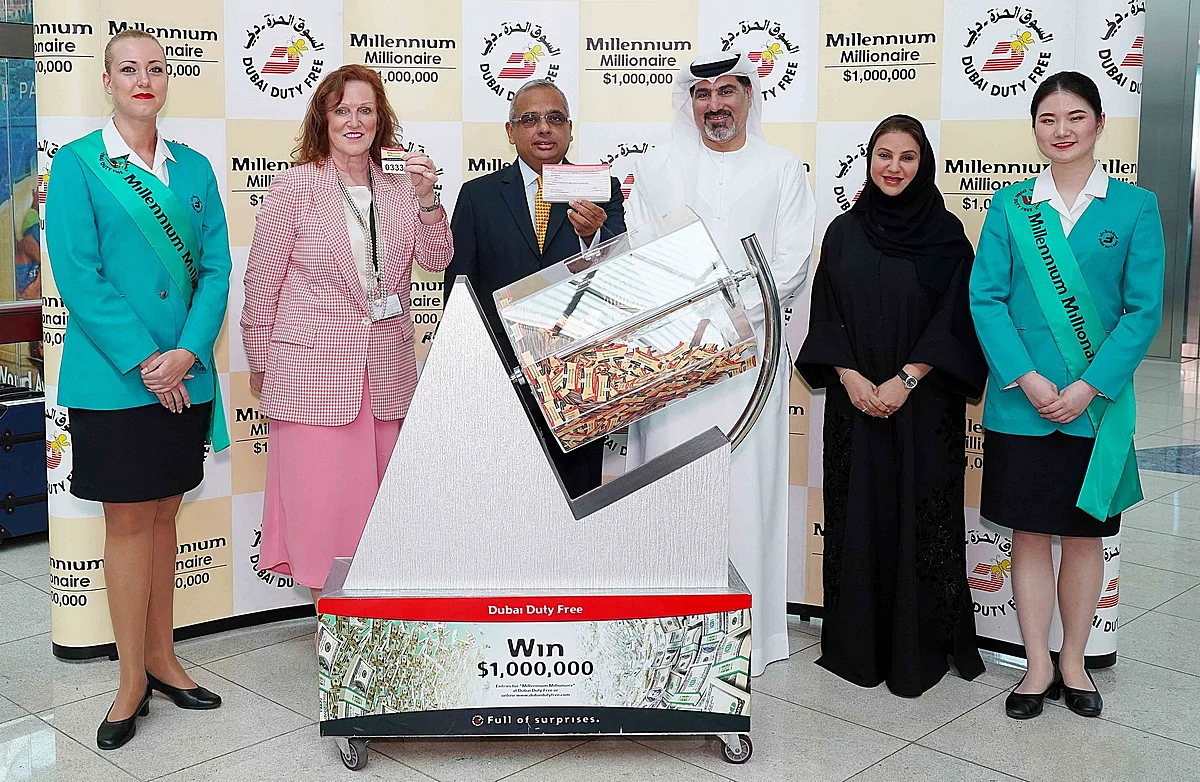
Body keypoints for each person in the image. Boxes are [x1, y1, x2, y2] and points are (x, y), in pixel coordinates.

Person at [44, 29, 231, 749]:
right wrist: (149, 359)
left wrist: (185, 353)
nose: (143, 79)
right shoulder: (77, 164)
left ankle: (162, 659)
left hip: (185, 374)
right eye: (129, 68)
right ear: (107, 80)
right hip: (115, 380)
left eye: (155, 67)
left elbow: (215, 269)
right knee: (128, 522)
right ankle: (129, 682)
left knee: (164, 517)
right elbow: (77, 273)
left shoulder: (194, 168)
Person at [970, 72, 1164, 719]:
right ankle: (1036, 665)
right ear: (1034, 129)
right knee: (1027, 534)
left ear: (1099, 123)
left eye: (1076, 117)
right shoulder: (1010, 206)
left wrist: (1087, 386)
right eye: (1048, 119)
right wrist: (1026, 378)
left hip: (1096, 408)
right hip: (1020, 404)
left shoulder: (1135, 207)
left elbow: (1142, 310)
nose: (1062, 130)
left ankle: (1075, 662)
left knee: (1083, 538)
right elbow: (986, 299)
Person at [624, 50, 816, 676]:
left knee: (744, 491)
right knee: (673, 488)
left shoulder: (782, 168)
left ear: (748, 97)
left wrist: (734, 315)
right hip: (673, 359)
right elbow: (642, 253)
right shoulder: (655, 168)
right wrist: (692, 320)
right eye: (702, 93)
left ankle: (749, 641)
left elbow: (792, 259)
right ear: (690, 103)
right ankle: (664, 639)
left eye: (726, 91)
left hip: (751, 360)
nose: (715, 104)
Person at [240, 65, 450, 608]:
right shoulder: (294, 187)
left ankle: (376, 623)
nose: (353, 121)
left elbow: (436, 258)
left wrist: (428, 199)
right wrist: (261, 362)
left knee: (385, 510)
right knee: (322, 510)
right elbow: (262, 283)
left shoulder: (400, 187)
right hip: (310, 374)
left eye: (365, 110)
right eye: (341, 110)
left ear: (380, 120)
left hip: (387, 374)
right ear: (323, 119)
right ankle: (331, 623)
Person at [795, 115, 986, 696]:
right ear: (869, 160)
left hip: (924, 408)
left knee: (919, 520)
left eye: (907, 157)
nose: (894, 167)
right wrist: (849, 377)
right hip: (855, 407)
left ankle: (917, 652)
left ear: (924, 164)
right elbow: (826, 312)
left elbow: (955, 320)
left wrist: (907, 378)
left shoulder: (948, 236)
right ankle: (858, 649)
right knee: (859, 519)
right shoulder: (843, 232)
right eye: (884, 155)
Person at [445, 78, 625, 498]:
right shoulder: (477, 195)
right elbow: (460, 287)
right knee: (499, 494)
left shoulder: (602, 189)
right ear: (511, 132)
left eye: (555, 118)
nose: (544, 128)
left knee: (578, 497)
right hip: (500, 374)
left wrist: (593, 237)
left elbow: (621, 271)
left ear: (570, 130)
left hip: (581, 373)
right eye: (529, 119)